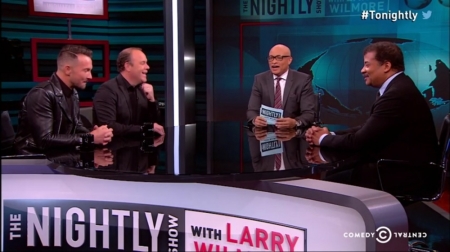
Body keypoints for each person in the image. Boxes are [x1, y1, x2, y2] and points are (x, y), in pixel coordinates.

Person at [305, 41, 438, 163]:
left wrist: (322, 139)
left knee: (334, 177)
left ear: (386, 66)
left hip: (403, 171)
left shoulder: (396, 95)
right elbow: (368, 128)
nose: (362, 70)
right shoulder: (399, 86)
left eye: (367, 64)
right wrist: (330, 134)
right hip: (394, 163)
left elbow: (360, 141)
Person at [14, 45, 113, 153]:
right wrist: (89, 138)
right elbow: (44, 140)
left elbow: (77, 127)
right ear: (68, 70)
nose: (90, 76)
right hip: (35, 159)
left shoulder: (73, 92)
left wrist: (96, 133)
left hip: (61, 154)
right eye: (86, 70)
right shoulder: (41, 94)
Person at [93, 47, 165, 137]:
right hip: (115, 148)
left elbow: (156, 124)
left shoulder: (143, 90)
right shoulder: (107, 90)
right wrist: (143, 129)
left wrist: (152, 101)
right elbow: (109, 126)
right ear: (128, 66)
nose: (148, 67)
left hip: (140, 147)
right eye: (143, 63)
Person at [247, 44, 315, 129]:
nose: (274, 61)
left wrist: (295, 122)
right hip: (265, 135)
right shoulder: (260, 79)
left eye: (279, 58)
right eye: (271, 58)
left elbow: (309, 113)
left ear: (289, 60)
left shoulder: (302, 80)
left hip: (292, 135)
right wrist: (255, 119)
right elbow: (252, 111)